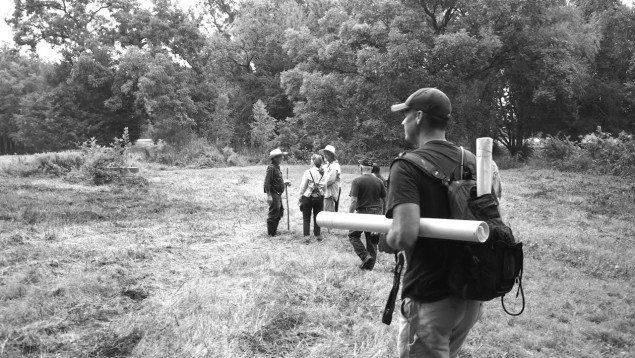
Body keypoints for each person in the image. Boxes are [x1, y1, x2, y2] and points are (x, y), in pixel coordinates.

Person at [385, 88, 502, 358]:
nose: (402, 122)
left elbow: (403, 235)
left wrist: (387, 239)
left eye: (404, 115)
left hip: (430, 295)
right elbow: (491, 219)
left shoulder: (406, 166)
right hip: (470, 294)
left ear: (418, 116)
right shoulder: (473, 161)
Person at [348, 158, 386, 270]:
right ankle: (369, 267)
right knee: (372, 240)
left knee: (353, 235)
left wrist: (349, 215)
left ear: (361, 168)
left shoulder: (357, 181)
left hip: (362, 213)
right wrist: (382, 214)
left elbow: (354, 200)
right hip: (377, 213)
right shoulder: (379, 181)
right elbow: (385, 199)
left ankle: (365, 256)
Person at [298, 154, 327, 241]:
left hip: (308, 196)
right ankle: (317, 235)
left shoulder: (308, 172)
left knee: (306, 217)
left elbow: (303, 186)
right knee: (317, 216)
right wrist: (322, 193)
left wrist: (300, 197)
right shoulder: (323, 172)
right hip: (319, 197)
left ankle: (306, 236)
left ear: (313, 161)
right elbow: (325, 187)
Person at [263, 148, 290, 236]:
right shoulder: (271, 168)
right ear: (274, 158)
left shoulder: (277, 167)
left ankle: (274, 231)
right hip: (273, 194)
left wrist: (284, 182)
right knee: (274, 213)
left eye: (281, 157)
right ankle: (271, 234)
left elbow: (277, 180)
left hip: (278, 194)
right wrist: (269, 196)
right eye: (279, 157)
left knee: (279, 212)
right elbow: (267, 182)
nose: (281, 158)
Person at [321, 145, 341, 212]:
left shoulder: (334, 166)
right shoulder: (328, 165)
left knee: (329, 215)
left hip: (330, 194)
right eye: (324, 154)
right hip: (327, 193)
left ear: (331, 155)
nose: (325, 156)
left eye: (327, 154)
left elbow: (331, 180)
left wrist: (320, 186)